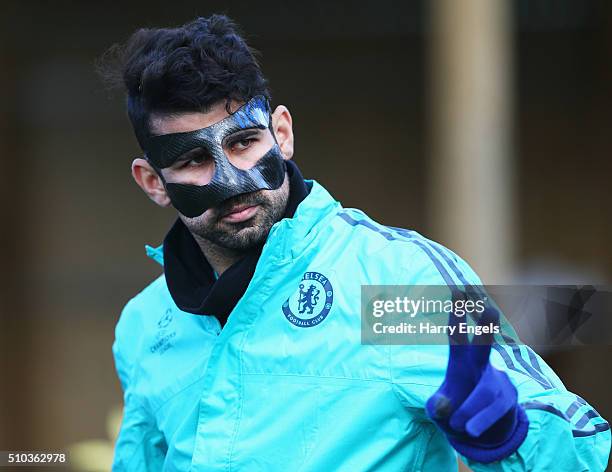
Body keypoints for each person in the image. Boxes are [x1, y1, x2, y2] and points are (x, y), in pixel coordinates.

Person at [103, 14, 610, 471]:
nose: (233, 181)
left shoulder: (389, 286)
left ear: (281, 133)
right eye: (193, 160)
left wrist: (513, 439)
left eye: (243, 143)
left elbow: (585, 453)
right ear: (152, 181)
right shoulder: (148, 325)